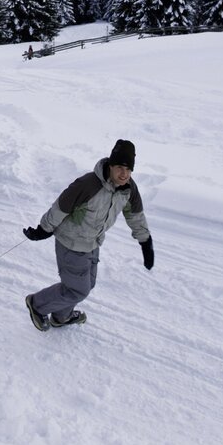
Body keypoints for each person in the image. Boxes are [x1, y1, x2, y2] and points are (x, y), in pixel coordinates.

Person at [22, 139, 153, 330]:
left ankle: (61, 316)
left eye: (128, 169)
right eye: (119, 167)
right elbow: (61, 207)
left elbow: (136, 216)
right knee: (77, 289)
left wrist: (145, 243)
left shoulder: (128, 189)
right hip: (71, 243)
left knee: (87, 284)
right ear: (110, 165)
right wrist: (44, 229)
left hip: (93, 243)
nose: (124, 173)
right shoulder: (88, 184)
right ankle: (37, 304)